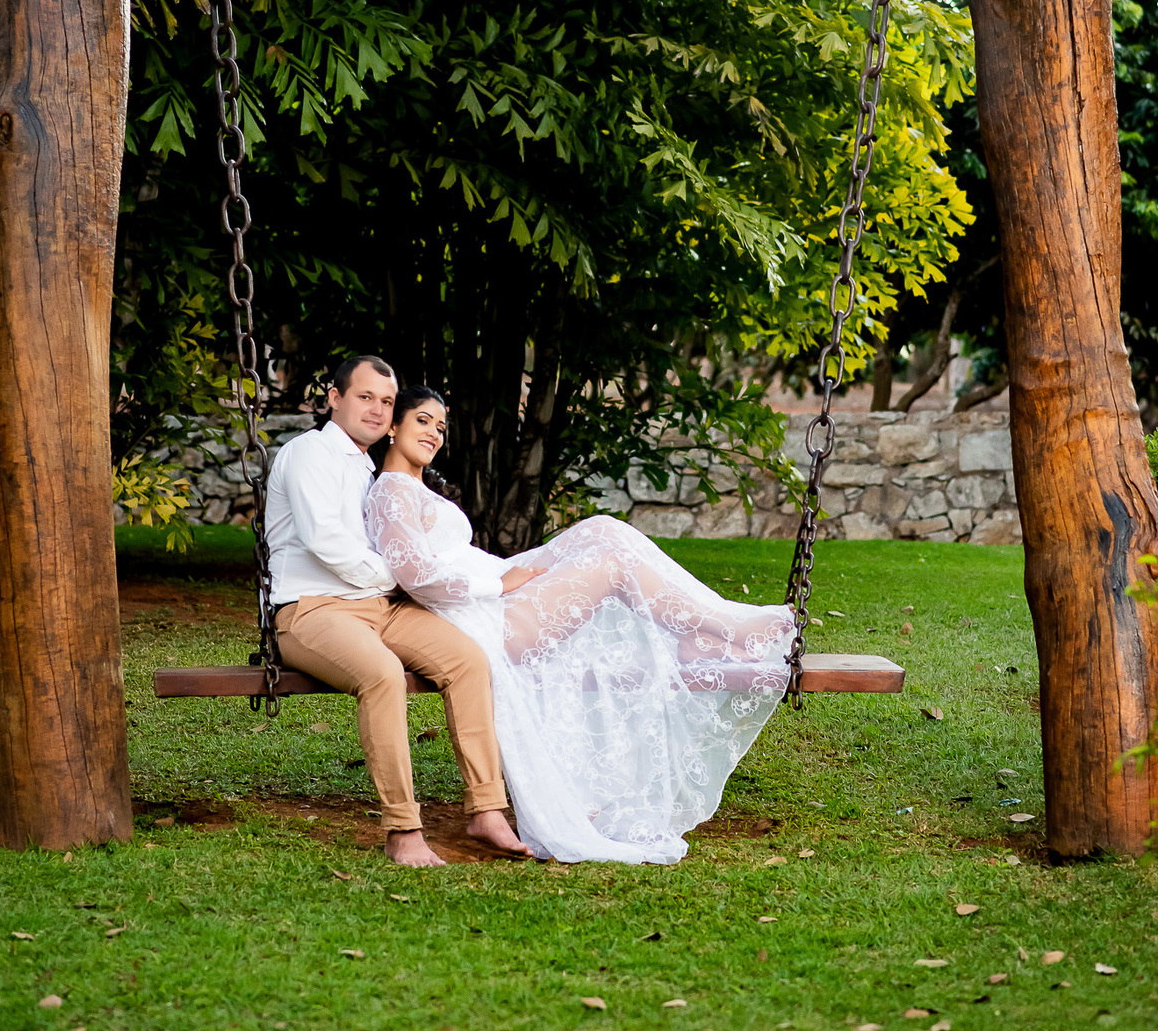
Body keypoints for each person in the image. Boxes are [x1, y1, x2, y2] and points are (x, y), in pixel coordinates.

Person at [365, 385, 797, 865]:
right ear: (393, 426)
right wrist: (501, 584)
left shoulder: (414, 490)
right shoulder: (391, 491)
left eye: (441, 426)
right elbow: (414, 574)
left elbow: (459, 560)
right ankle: (727, 631)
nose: (434, 433)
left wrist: (511, 571)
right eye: (422, 421)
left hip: (487, 596)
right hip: (479, 621)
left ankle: (704, 631)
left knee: (603, 530)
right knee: (611, 564)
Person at [266, 354, 529, 866]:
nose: (377, 409)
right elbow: (328, 544)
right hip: (312, 611)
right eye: (364, 397)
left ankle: (486, 809)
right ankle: (403, 828)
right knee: (384, 675)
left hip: (381, 607)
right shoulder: (309, 454)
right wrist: (402, 578)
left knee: (468, 661)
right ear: (334, 398)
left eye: (386, 401)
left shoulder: (370, 470)